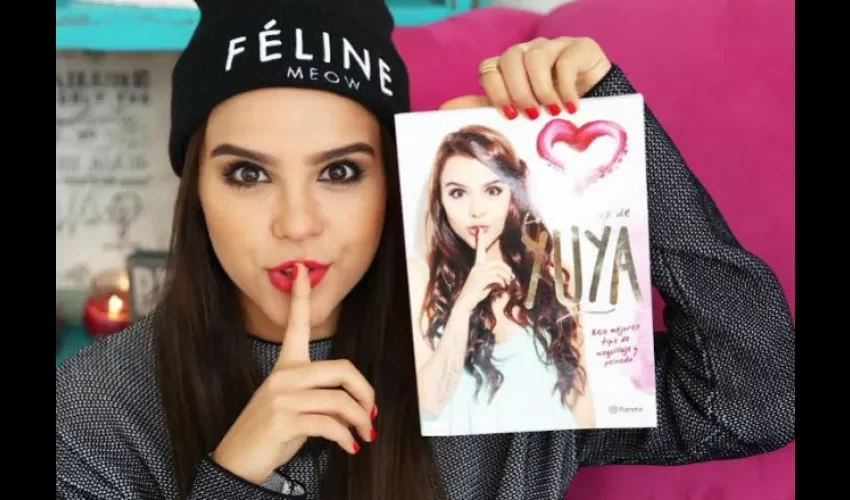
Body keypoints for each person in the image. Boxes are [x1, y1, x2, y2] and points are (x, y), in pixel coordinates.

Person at [55, 0, 796, 499]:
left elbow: (756, 401)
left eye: (341, 172)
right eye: (248, 174)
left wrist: (612, 129)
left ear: (399, 180)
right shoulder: (96, 407)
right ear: (196, 192)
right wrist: (237, 475)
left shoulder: (509, 356)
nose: (297, 223)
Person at [409, 124, 595, 436]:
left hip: (548, 455)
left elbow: (579, 397)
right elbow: (430, 402)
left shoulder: (552, 273)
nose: (476, 210)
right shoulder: (421, 277)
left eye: (492, 190)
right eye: (458, 193)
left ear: (513, 194)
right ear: (440, 200)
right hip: (467, 459)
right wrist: (465, 303)